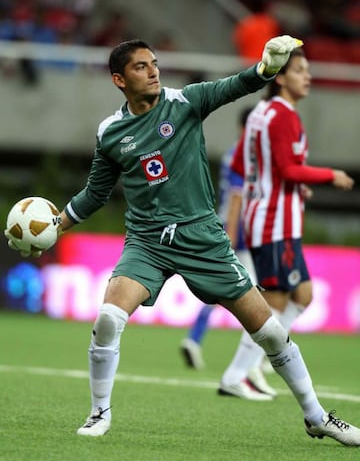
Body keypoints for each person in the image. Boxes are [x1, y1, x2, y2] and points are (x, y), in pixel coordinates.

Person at [5, 36, 360, 446]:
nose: (153, 70)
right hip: (146, 242)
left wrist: (266, 69)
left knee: (273, 335)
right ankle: (99, 412)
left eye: (154, 63)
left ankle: (317, 417)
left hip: (202, 238)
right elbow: (96, 193)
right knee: (107, 318)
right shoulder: (111, 132)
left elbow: (234, 86)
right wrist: (56, 226)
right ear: (119, 79)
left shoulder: (185, 102)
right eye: (141, 66)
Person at [218, 46, 355, 398]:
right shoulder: (283, 116)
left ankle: (259, 363)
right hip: (274, 222)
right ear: (279, 76)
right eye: (299, 70)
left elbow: (242, 168)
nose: (307, 76)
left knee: (303, 295)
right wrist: (329, 175)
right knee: (273, 305)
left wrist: (285, 185)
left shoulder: (259, 114)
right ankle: (238, 374)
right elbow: (288, 168)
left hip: (273, 216)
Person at [180, 106, 276, 400]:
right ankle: (255, 360)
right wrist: (233, 236)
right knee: (257, 296)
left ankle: (196, 340)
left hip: (235, 230)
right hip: (239, 234)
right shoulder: (244, 156)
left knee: (225, 290)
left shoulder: (239, 154)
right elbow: (236, 199)